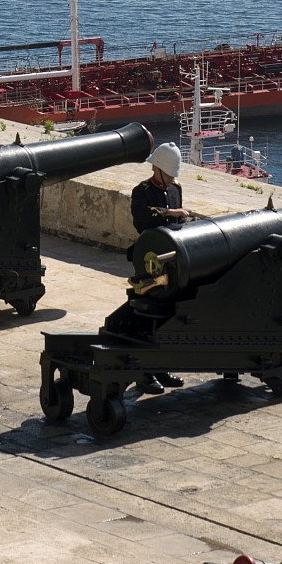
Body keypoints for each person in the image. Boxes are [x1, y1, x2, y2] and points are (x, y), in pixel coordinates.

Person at [121, 142, 188, 394]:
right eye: (168, 174)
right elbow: (143, 219)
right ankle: (143, 372)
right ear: (156, 169)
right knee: (146, 314)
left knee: (166, 315)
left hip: (170, 259)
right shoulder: (142, 191)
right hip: (149, 258)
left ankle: (160, 367)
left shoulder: (175, 189)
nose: (171, 178)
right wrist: (171, 212)